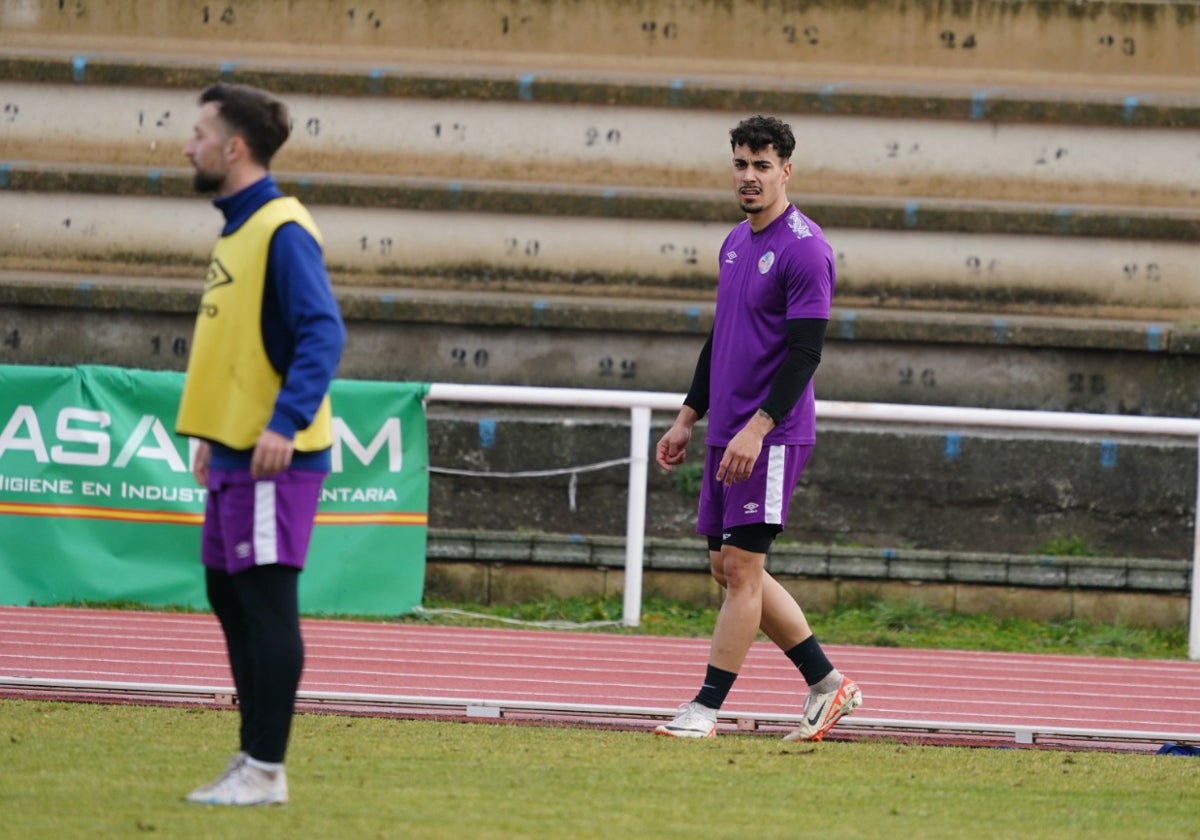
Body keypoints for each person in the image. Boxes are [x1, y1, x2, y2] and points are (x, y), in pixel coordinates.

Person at [653, 115, 861, 741]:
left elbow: (805, 353)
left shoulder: (805, 248)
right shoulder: (736, 242)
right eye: (741, 163)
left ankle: (705, 709)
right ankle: (828, 684)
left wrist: (757, 428)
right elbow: (722, 340)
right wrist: (689, 417)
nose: (749, 176)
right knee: (726, 565)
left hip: (769, 434)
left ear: (786, 170)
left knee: (742, 570)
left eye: (762, 165)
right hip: (727, 431)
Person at [176, 83, 346, 805]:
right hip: (235, 451)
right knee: (229, 594)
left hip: (276, 455)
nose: (190, 146)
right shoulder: (239, 227)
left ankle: (266, 769)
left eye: (199, 134)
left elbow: (322, 332)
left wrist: (282, 422)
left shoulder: (281, 227)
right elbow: (241, 346)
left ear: (234, 147)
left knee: (267, 605)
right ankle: (251, 759)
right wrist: (217, 432)